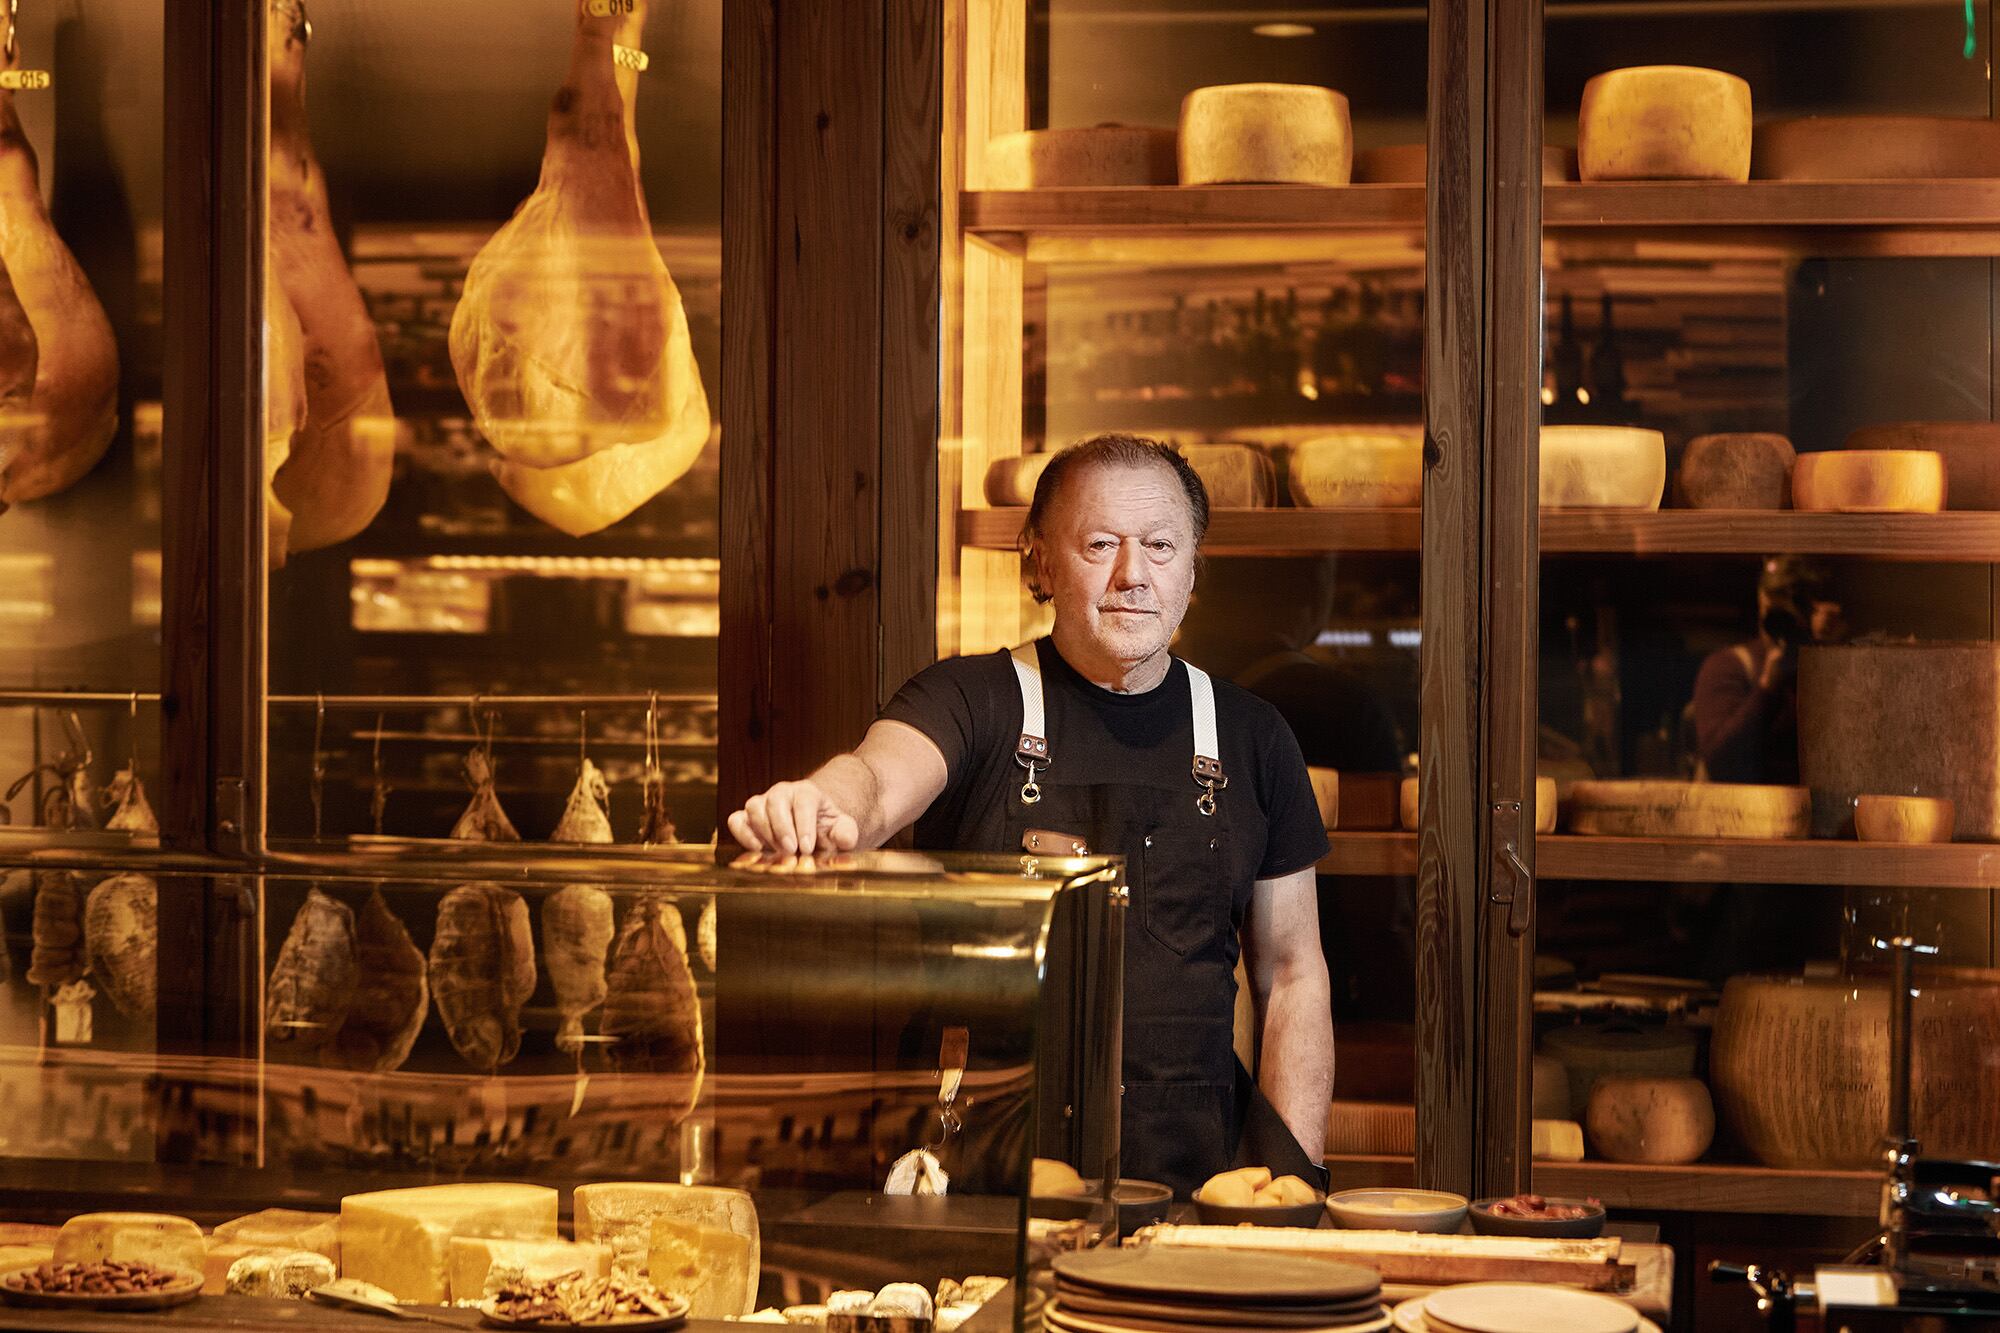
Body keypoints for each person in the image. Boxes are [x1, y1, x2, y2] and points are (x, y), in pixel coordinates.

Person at [727, 433, 1335, 1197]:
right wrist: (822, 805)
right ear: (1040, 563)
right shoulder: (970, 699)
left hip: (1196, 1178)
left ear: (1192, 570)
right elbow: (877, 782)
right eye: (1100, 543)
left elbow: (1292, 974)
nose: (1132, 575)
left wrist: (1293, 1182)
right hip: (989, 1173)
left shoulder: (1252, 736)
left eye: (1159, 545)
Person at [1691, 555, 1846, 784]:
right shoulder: (1729, 667)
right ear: (1760, 602)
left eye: (1795, 610)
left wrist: (1836, 653)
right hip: (1744, 815)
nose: (1783, 621)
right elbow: (1720, 762)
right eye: (1775, 609)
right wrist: (1767, 689)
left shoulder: (1828, 670)